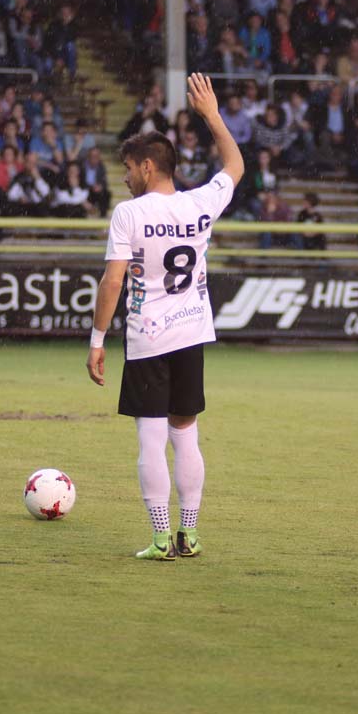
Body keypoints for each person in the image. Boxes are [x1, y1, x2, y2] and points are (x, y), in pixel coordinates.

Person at [86, 73, 244, 562]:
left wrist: (96, 339)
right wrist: (212, 116)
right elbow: (236, 165)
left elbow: (113, 281)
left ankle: (159, 537)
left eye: (130, 168)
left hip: (149, 340)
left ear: (149, 166)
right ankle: (189, 534)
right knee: (186, 434)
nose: (126, 177)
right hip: (192, 334)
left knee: (151, 440)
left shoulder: (129, 214)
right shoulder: (200, 203)